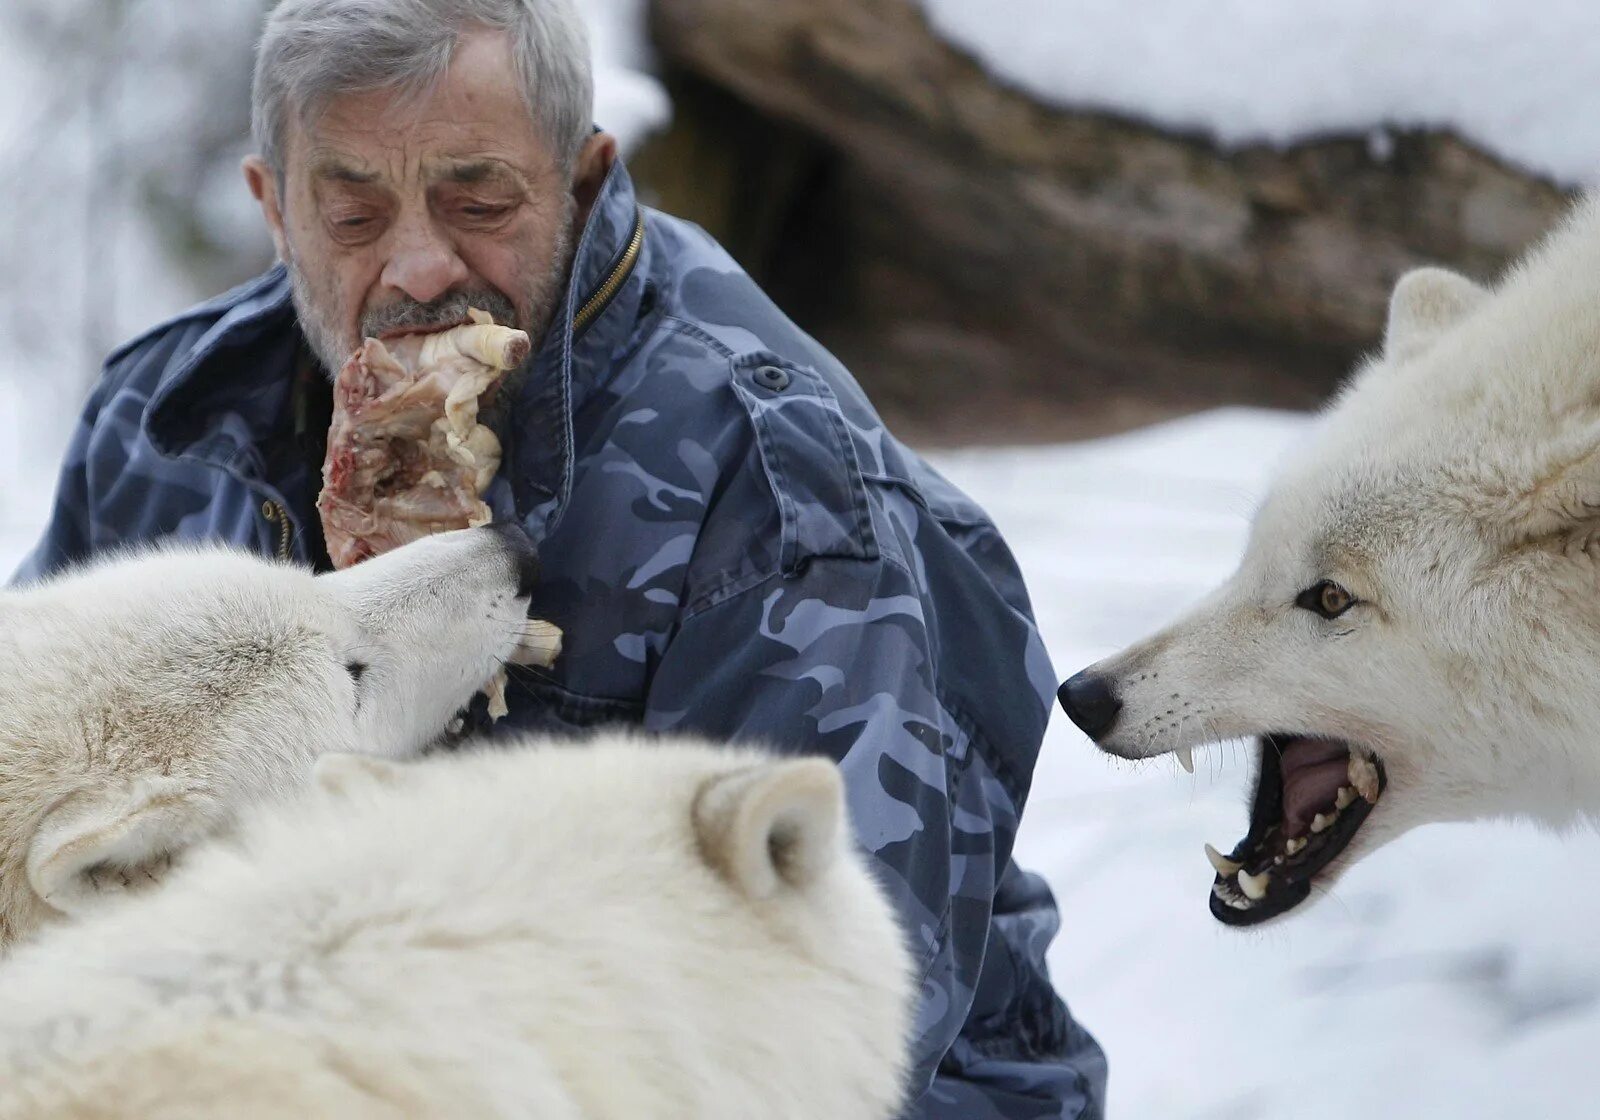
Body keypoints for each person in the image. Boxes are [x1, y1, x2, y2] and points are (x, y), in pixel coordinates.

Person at [15, 0, 1107, 1114]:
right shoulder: (162, 422)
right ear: (274, 208)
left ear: (583, 181)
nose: (421, 267)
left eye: (478, 199)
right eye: (350, 212)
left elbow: (828, 1002)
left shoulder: (780, 484)